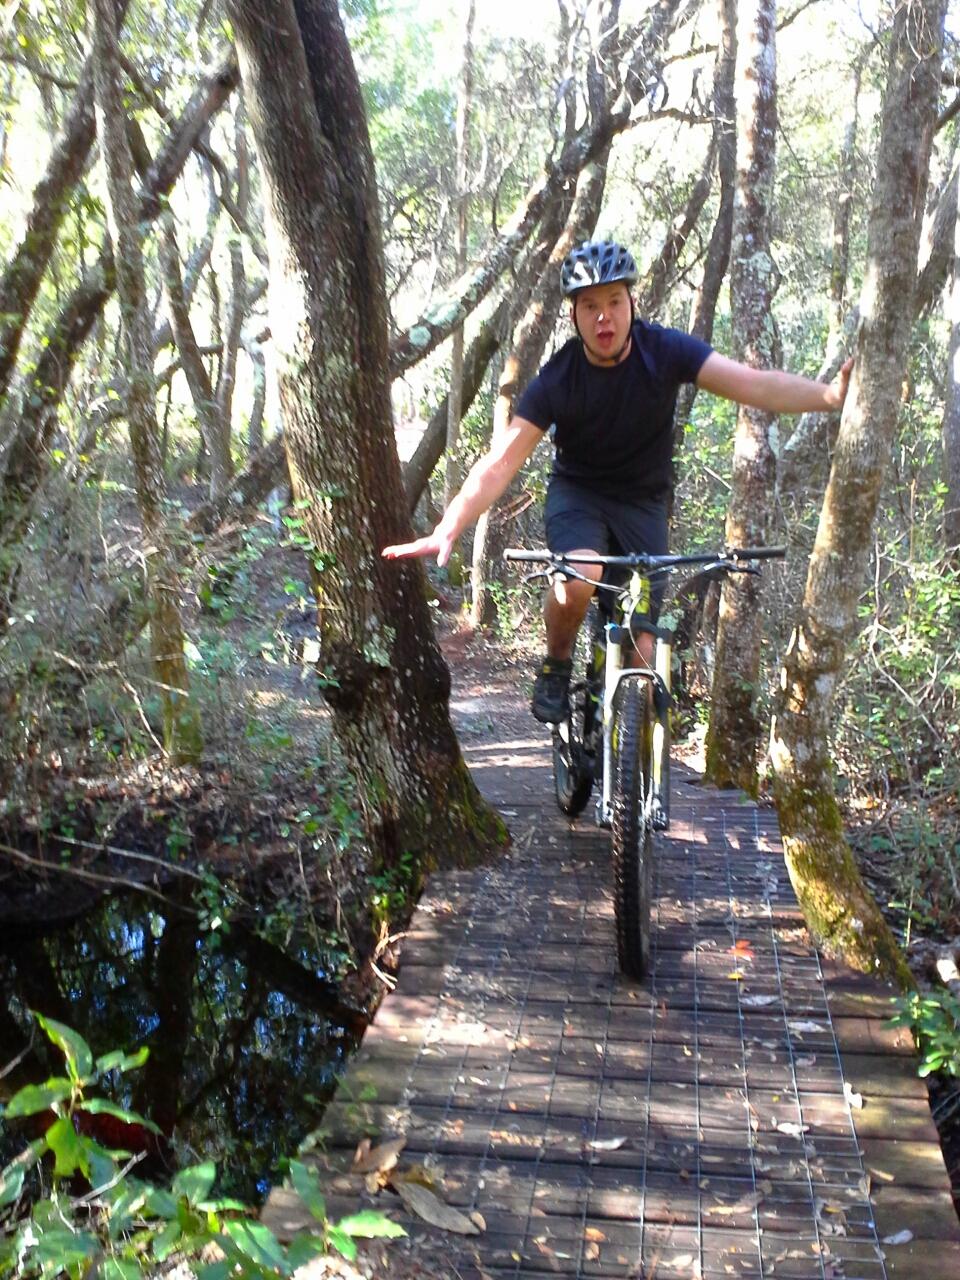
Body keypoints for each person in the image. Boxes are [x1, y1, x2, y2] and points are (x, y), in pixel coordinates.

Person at [383, 239, 852, 724]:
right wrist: (449, 525)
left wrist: (830, 396)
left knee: (644, 656)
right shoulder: (559, 378)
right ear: (574, 315)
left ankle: (638, 778)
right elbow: (500, 462)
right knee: (581, 575)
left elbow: (753, 384)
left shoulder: (665, 352)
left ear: (632, 304)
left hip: (644, 504)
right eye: (590, 306)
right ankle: (558, 663)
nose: (603, 317)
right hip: (578, 497)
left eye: (613, 302)